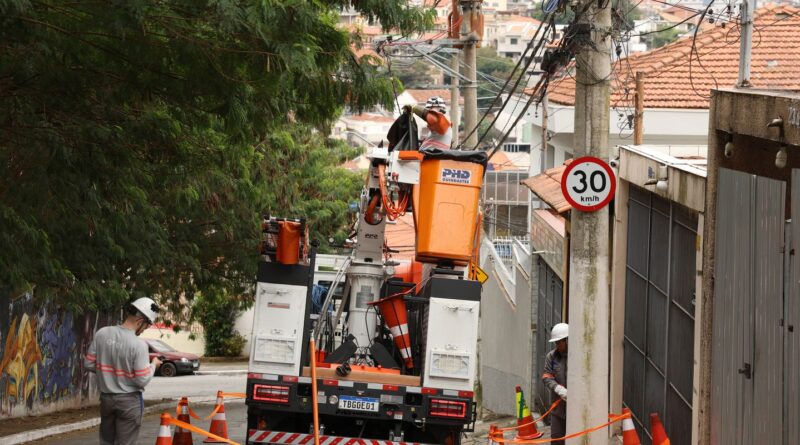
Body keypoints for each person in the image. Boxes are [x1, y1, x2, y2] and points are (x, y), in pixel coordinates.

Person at [84, 297, 163, 445]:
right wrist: (153, 365)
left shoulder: (102, 333)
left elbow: (88, 364)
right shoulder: (138, 345)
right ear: (140, 321)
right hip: (129, 402)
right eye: (146, 326)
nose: (145, 329)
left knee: (106, 441)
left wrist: (108, 373)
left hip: (106, 400)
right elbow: (142, 379)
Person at [542, 322, 568, 445]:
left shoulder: (577, 357)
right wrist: (557, 388)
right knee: (557, 440)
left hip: (574, 410)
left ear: (567, 340)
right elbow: (546, 377)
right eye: (555, 343)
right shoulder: (551, 357)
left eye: (559, 342)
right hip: (557, 410)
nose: (557, 345)